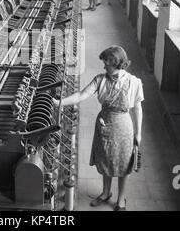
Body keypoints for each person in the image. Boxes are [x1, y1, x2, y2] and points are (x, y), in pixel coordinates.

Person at [53, 46, 144, 211]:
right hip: (104, 124)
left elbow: (137, 108)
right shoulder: (100, 79)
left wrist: (138, 133)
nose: (104, 67)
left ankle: (121, 199)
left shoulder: (133, 82)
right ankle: (105, 192)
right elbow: (81, 95)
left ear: (117, 64)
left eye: (107, 64)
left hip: (124, 127)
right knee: (105, 159)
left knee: (124, 163)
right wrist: (59, 103)